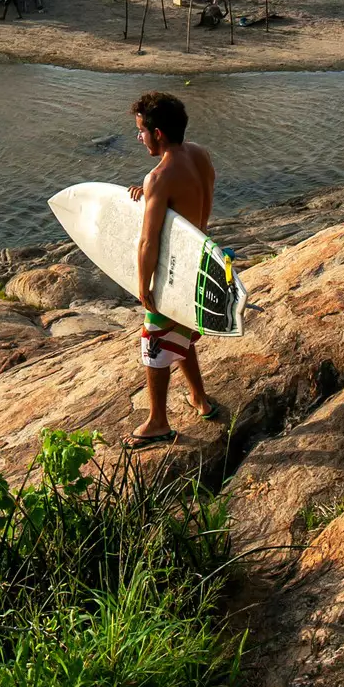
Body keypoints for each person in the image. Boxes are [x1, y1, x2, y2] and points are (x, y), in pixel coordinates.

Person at [124, 91, 218, 448]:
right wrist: (149, 195)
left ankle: (158, 422)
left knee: (156, 343)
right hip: (197, 259)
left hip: (172, 270)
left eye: (142, 131)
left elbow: (148, 242)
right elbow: (186, 198)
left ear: (158, 133)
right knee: (181, 331)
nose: (139, 137)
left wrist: (143, 285)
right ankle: (199, 398)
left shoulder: (159, 177)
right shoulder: (199, 155)